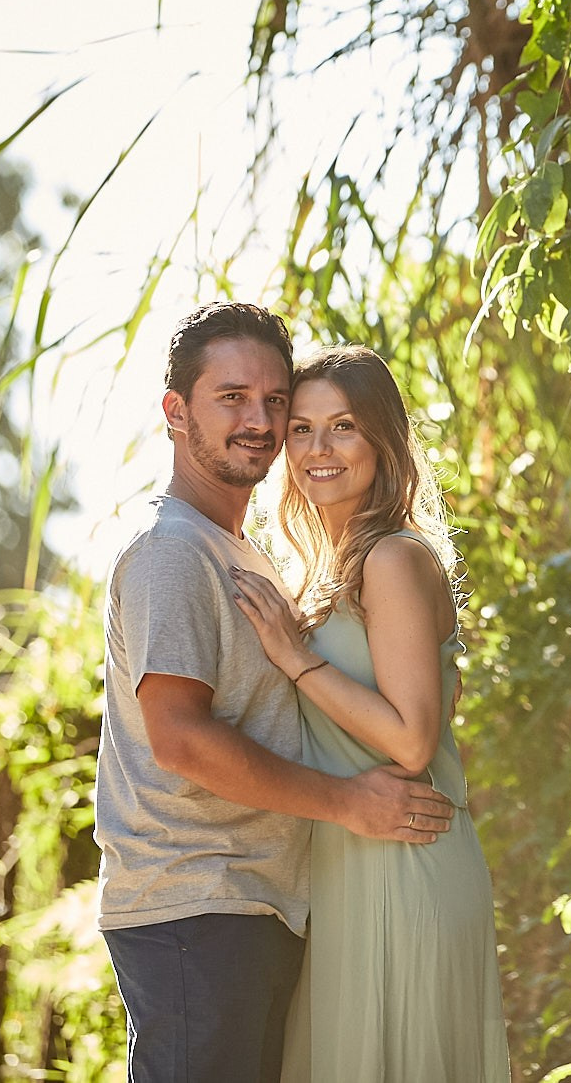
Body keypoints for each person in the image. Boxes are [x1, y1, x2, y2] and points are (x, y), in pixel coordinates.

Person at [97, 302, 455, 1083]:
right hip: (196, 905)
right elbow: (181, 739)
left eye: (272, 402)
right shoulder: (171, 552)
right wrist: (347, 803)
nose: (258, 420)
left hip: (261, 906)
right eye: (231, 397)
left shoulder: (246, 556)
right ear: (175, 410)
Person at [228, 344, 510, 1082]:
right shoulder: (327, 570)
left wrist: (296, 658)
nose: (319, 448)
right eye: (303, 428)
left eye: (343, 426)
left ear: (382, 440)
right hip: (347, 867)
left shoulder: (391, 557)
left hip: (406, 864)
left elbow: (413, 739)